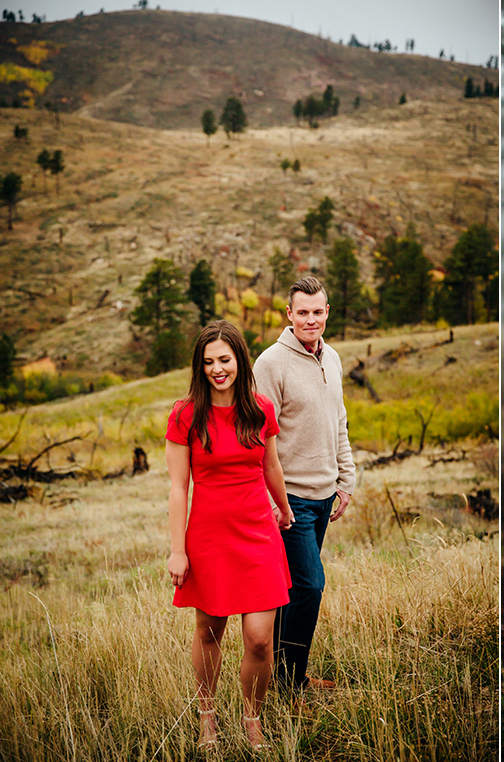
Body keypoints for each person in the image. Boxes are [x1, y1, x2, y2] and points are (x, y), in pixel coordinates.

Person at [166, 320, 294, 751]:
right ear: (199, 368)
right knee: (209, 632)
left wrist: (285, 507)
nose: (217, 369)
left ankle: (252, 719)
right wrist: (177, 551)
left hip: (257, 532)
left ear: (240, 359)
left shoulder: (260, 409)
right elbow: (177, 488)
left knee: (259, 639)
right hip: (208, 537)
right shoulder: (185, 415)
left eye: (224, 359)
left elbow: (271, 466)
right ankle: (207, 717)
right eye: (208, 362)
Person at [253, 276, 357, 692]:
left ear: (327, 312)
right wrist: (272, 501)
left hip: (324, 494)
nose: (311, 320)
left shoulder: (331, 357)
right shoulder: (270, 364)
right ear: (289, 315)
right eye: (303, 313)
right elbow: (261, 439)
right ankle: (291, 684)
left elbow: (339, 422)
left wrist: (346, 479)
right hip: (289, 499)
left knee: (293, 591)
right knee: (310, 588)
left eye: (318, 312)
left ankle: (282, 675)